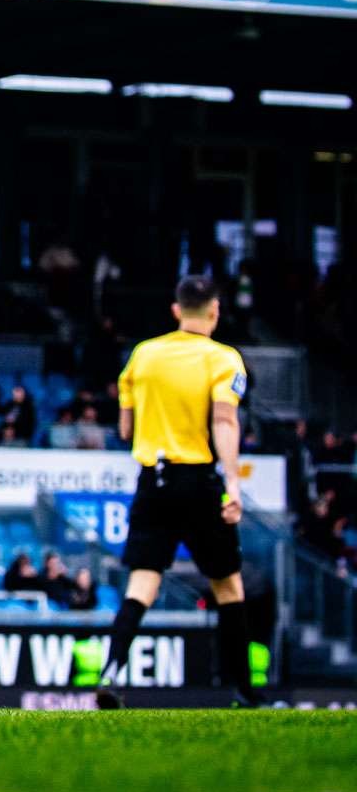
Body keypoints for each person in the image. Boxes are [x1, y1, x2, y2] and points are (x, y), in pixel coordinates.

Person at [89, 276, 265, 708]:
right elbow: (224, 421)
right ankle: (244, 693)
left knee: (140, 585)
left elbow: (126, 429)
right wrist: (233, 484)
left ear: (176, 310)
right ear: (215, 310)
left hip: (153, 480)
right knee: (228, 586)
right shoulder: (223, 359)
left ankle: (111, 671)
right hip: (198, 482)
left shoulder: (143, 355)